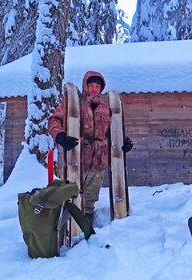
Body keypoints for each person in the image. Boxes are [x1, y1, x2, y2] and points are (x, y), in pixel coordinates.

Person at [48, 71, 133, 225]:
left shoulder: (106, 108)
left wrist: (123, 143)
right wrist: (60, 137)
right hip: (76, 160)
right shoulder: (73, 103)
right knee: (71, 198)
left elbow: (111, 132)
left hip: (98, 161)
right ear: (85, 86)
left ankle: (86, 229)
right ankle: (68, 230)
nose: (94, 89)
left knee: (90, 200)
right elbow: (54, 120)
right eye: (91, 85)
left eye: (97, 86)